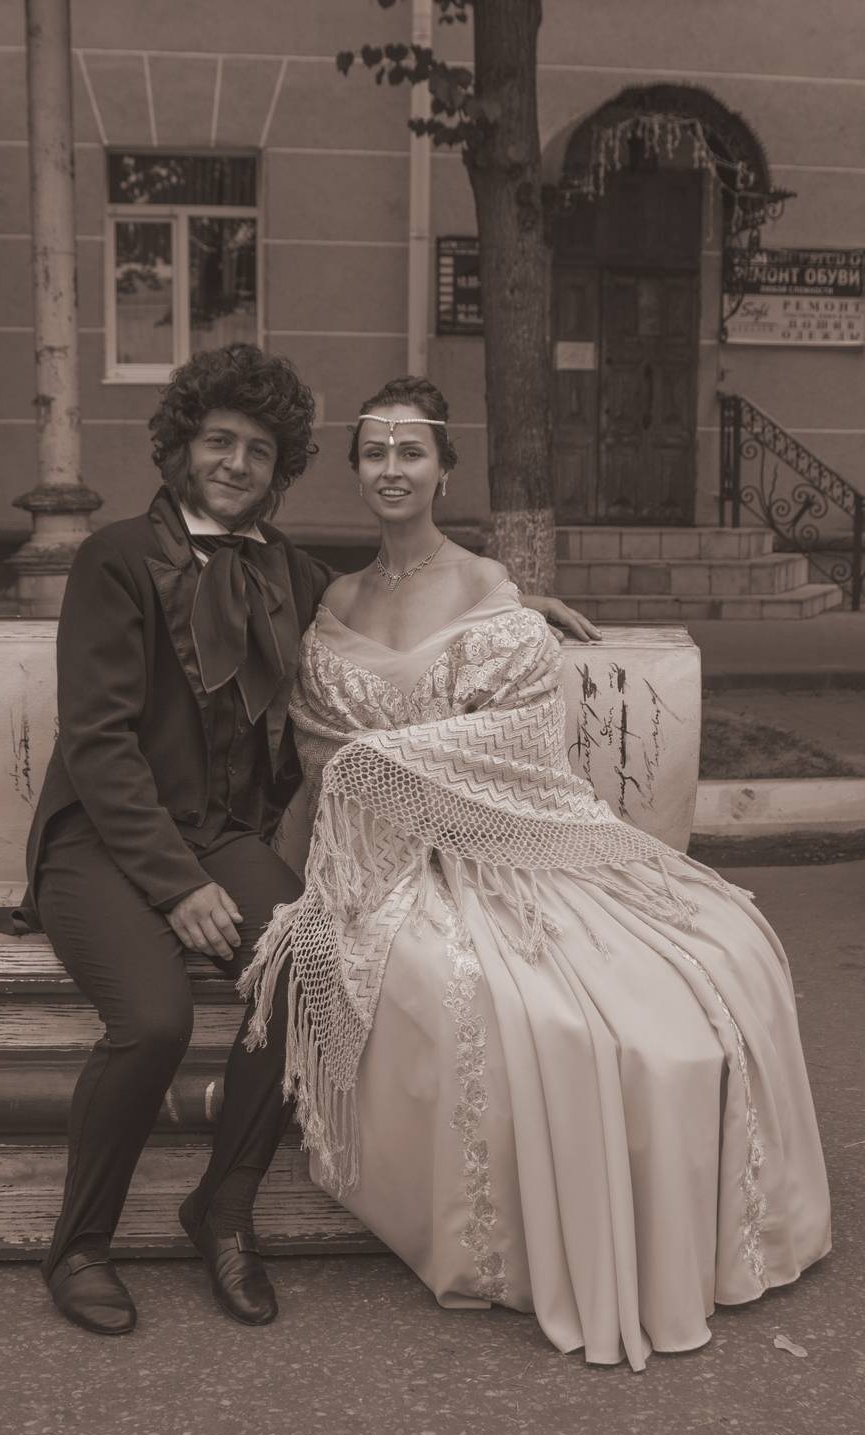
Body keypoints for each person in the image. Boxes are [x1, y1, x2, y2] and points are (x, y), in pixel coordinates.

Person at [0, 346, 592, 1338]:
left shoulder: (281, 568)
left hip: (219, 838)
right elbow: (97, 746)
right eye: (218, 441)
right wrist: (177, 884)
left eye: (259, 450)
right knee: (154, 1020)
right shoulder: (115, 558)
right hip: (101, 842)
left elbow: (395, 600)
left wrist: (510, 605)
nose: (236, 463)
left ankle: (221, 1210)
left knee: (313, 966)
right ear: (180, 447)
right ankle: (81, 1245)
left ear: (281, 468)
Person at [241, 375, 832, 1371]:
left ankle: (638, 1223)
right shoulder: (332, 596)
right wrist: (369, 770)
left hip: (498, 846)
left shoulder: (486, 590)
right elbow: (317, 742)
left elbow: (517, 744)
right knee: (466, 990)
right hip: (376, 862)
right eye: (374, 453)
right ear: (355, 470)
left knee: (647, 996)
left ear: (445, 468)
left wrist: (382, 756)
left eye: (412, 452)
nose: (392, 469)